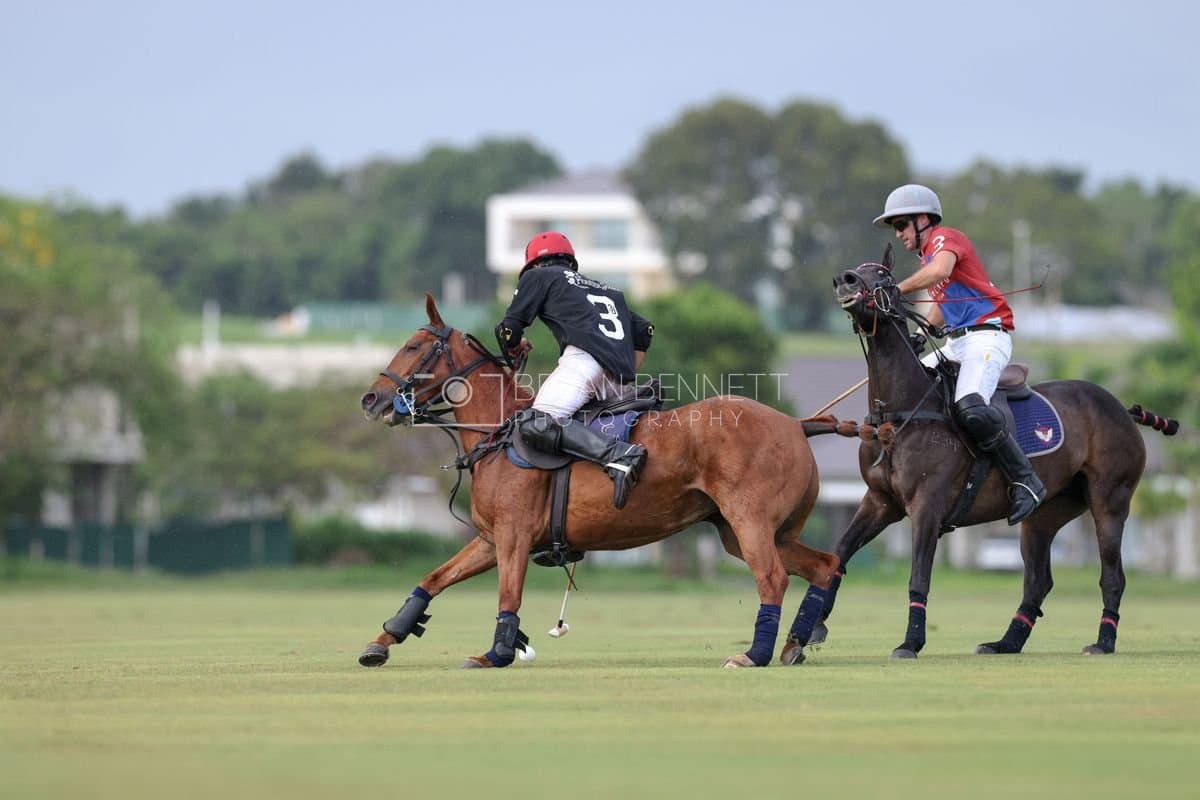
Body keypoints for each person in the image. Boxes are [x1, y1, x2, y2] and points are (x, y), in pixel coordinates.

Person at [874, 184, 1045, 524]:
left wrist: (895, 289)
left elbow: (939, 273)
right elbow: (941, 305)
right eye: (895, 228)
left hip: (987, 337)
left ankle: (1026, 479)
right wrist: (924, 335)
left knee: (969, 405)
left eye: (901, 225)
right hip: (957, 342)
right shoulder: (927, 258)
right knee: (908, 387)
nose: (899, 234)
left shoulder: (945, 240)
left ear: (923, 220)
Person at [495, 231, 655, 509]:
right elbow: (644, 329)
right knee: (570, 424)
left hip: (583, 361)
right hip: (616, 376)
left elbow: (509, 328)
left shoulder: (539, 276)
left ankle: (620, 455)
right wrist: (625, 369)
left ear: (534, 264)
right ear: (570, 260)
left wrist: (513, 346)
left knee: (535, 424)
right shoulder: (608, 290)